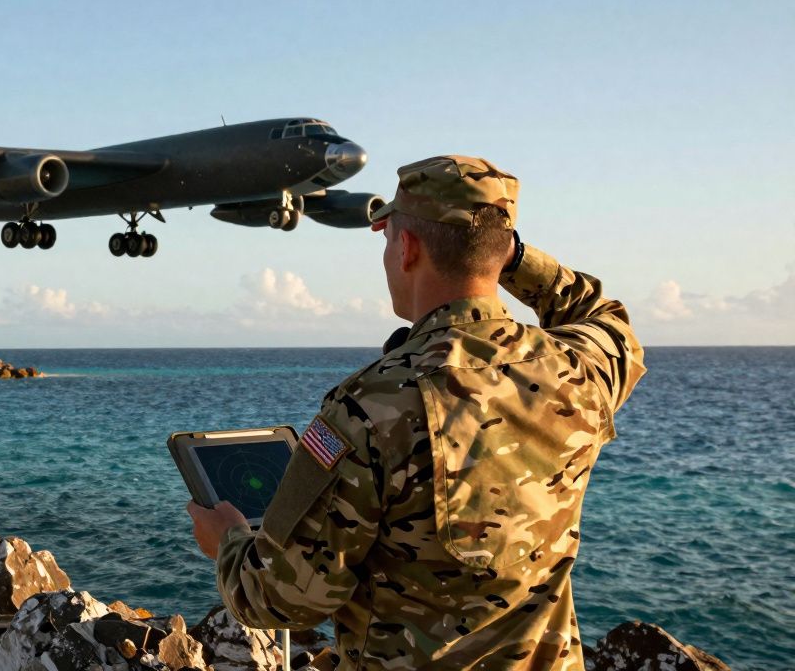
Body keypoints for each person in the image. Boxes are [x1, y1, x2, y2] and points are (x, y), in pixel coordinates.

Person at [187, 156, 645, 670]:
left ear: (407, 248)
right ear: (501, 251)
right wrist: (508, 254)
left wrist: (227, 539)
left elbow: (281, 598)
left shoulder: (369, 407)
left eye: (388, 239)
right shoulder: (575, 370)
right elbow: (605, 319)